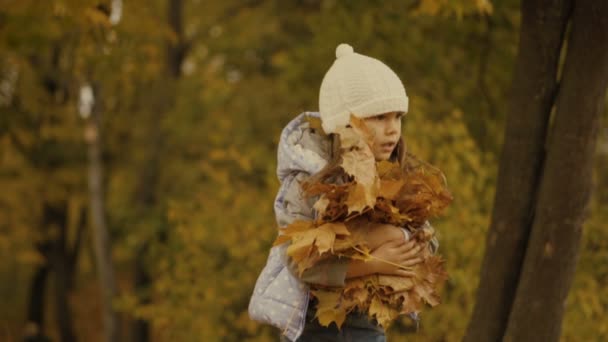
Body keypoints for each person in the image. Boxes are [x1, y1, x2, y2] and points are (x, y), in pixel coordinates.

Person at [249, 43, 439, 342]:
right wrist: (377, 257)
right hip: (316, 329)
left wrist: (399, 239)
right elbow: (301, 260)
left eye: (397, 117)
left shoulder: (394, 174)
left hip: (367, 326)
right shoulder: (309, 181)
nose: (392, 130)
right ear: (344, 124)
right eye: (379, 118)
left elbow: (425, 243)